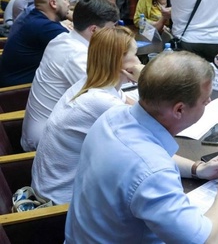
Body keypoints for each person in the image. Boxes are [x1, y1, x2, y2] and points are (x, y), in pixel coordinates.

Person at [65, 51, 218, 243]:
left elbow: (146, 158)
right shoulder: (154, 172)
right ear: (179, 110)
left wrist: (196, 168)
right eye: (205, 100)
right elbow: (208, 241)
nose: (208, 102)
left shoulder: (112, 117)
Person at [31, 27, 143, 204]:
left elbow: (133, 106)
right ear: (118, 60)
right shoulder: (101, 101)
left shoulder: (88, 83)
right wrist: (145, 81)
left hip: (53, 189)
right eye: (135, 55)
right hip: (61, 206)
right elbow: (153, 128)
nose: (138, 61)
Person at [22, 0, 120, 152]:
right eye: (111, 29)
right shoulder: (76, 56)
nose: (114, 34)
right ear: (94, 30)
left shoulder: (62, 39)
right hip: (46, 145)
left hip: (51, 133)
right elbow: (107, 101)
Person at [0, 0, 70, 87]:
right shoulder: (43, 27)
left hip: (15, 81)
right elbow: (78, 45)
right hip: (18, 91)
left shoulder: (34, 15)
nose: (68, 3)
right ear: (53, 3)